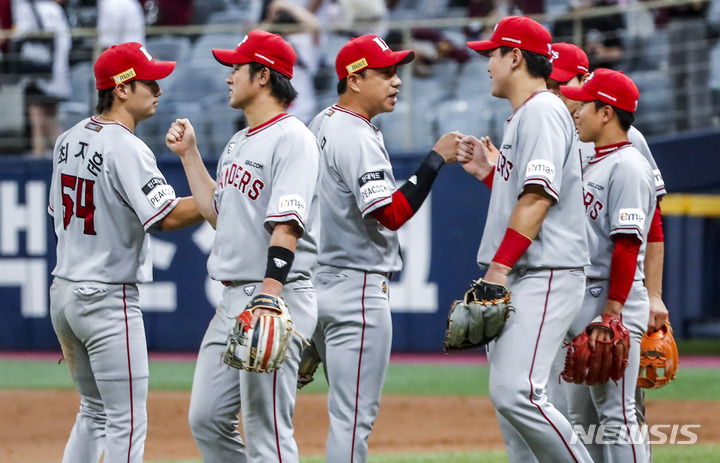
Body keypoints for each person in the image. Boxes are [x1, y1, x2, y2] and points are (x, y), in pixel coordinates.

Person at [165, 30, 320, 462]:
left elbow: (288, 224)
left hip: (275, 295)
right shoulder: (238, 142)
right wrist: (190, 156)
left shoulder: (294, 139)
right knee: (207, 419)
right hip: (234, 299)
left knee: (266, 429)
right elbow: (220, 216)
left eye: (237, 67)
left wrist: (269, 296)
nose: (229, 75)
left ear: (264, 76)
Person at [307, 34, 460, 462]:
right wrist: (434, 160)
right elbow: (390, 213)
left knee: (341, 417)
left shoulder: (320, 122)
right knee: (352, 422)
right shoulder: (353, 134)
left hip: (318, 283)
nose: (396, 82)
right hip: (355, 291)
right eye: (386, 73)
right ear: (355, 79)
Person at [48, 41, 203, 463]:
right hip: (106, 298)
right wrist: (223, 198)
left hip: (64, 292)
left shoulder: (66, 139)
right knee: (126, 421)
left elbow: (56, 214)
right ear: (120, 88)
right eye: (148, 81)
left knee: (93, 412)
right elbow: (166, 216)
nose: (157, 89)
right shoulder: (126, 146)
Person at [457, 16, 593, 462]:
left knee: (518, 391)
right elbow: (526, 193)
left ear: (515, 57)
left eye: (492, 54)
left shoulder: (542, 110)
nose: (487, 64)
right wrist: (490, 173)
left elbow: (537, 199)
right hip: (527, 273)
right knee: (511, 411)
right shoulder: (525, 115)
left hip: (545, 272)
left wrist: (498, 268)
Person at [560, 68, 656, 462]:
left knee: (617, 414)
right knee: (581, 417)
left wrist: (612, 314)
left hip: (611, 300)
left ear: (606, 112)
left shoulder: (629, 166)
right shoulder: (594, 160)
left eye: (584, 104)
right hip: (583, 294)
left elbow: (628, 245)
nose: (576, 111)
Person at [14, 0, 71, 157]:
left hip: (37, 70)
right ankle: (65, 153)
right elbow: (66, 42)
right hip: (56, 71)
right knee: (50, 116)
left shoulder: (26, 7)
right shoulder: (55, 9)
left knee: (38, 117)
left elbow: (22, 33)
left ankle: (43, 154)